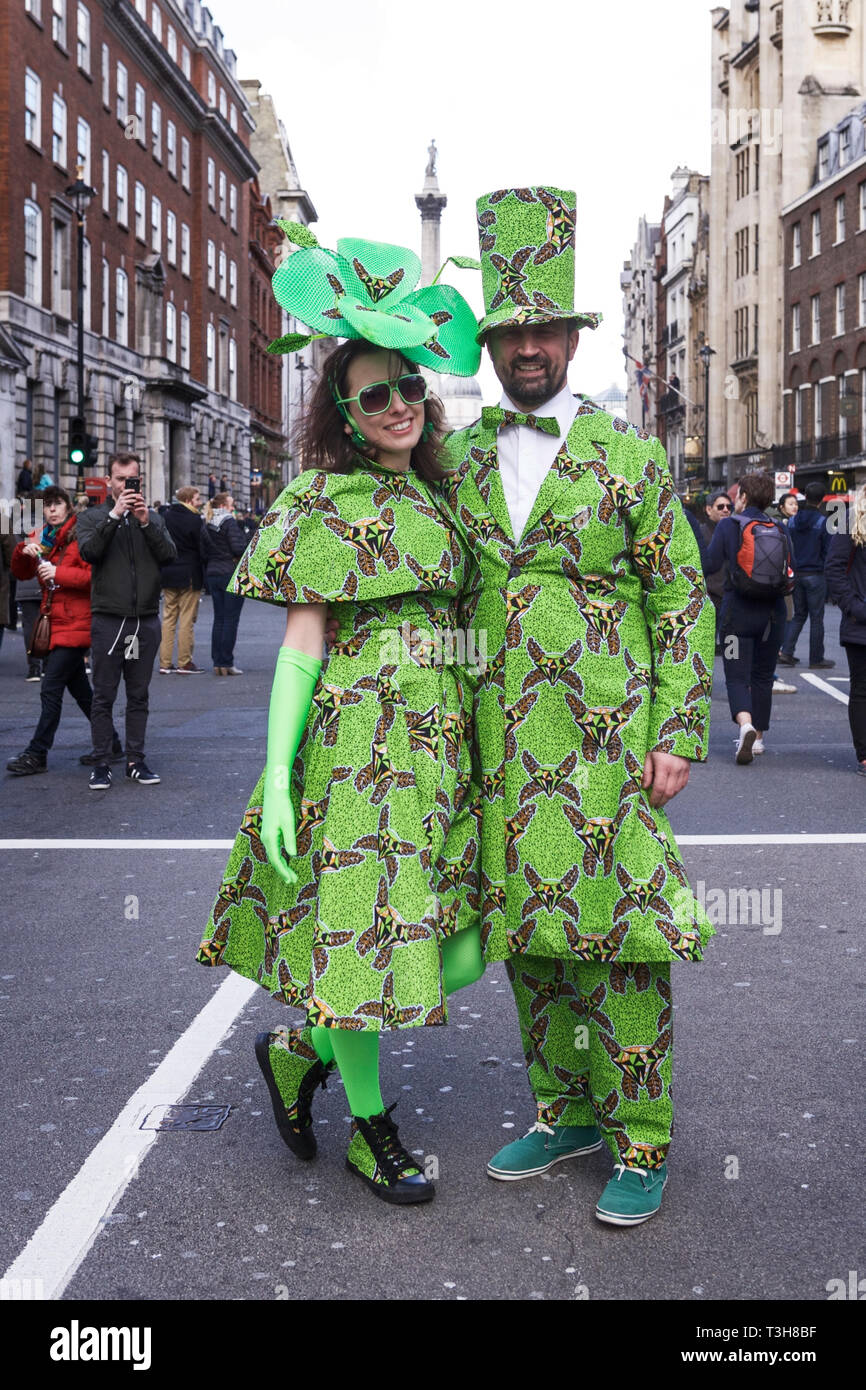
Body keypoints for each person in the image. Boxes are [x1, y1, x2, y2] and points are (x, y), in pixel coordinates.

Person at [439, 186, 716, 1225]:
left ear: (567, 336)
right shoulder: (456, 461)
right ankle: (565, 1109)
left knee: (623, 943)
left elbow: (680, 592)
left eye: (542, 330)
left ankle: (640, 1136)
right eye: (509, 331)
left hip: (606, 740)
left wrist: (677, 730)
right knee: (532, 942)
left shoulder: (627, 457)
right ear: (492, 340)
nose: (526, 348)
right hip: (501, 744)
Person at [196, 227, 485, 1204]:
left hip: (445, 750)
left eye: (408, 386)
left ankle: (300, 1047)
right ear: (347, 415)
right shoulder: (319, 499)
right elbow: (304, 644)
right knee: (364, 942)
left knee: (470, 937)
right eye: (375, 394)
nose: (399, 404)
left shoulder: (446, 497)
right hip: (357, 751)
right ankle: (371, 1127)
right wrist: (277, 774)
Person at [75, 453, 176, 789]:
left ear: (140, 481)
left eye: (132, 479)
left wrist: (146, 522)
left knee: (139, 695)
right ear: (109, 482)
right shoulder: (92, 517)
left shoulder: (153, 517)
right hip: (108, 619)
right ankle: (101, 762)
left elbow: (169, 556)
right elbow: (89, 552)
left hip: (144, 620)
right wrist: (115, 516)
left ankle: (136, 760)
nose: (126, 485)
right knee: (103, 695)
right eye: (120, 479)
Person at [5, 488, 116, 775]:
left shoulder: (82, 534)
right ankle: (112, 743)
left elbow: (97, 578)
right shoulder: (46, 538)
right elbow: (21, 573)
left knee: (50, 688)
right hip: (55, 622)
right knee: (81, 691)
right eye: (48, 506)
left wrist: (59, 574)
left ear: (68, 507)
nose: (52, 510)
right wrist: (23, 550)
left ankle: (37, 753)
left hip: (76, 623)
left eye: (57, 505)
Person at [704, 471, 793, 762]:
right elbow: (792, 571)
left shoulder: (729, 525)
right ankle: (759, 739)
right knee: (763, 675)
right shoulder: (780, 528)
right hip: (773, 614)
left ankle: (745, 725)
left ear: (742, 496)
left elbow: (711, 563)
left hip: (735, 613)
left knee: (736, 674)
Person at [826, 482, 866, 776]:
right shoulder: (850, 520)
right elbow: (835, 568)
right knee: (863, 689)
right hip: (861, 623)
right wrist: (855, 607)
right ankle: (865, 754)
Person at [778, 480, 833, 670]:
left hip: (797, 573)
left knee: (799, 615)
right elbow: (828, 551)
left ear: (805, 497)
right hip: (815, 574)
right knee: (817, 617)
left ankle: (787, 651)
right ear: (822, 500)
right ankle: (816, 658)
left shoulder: (792, 521)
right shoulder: (822, 522)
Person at [200, 492, 248, 675]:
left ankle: (217, 662)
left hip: (213, 573)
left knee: (219, 619)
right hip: (229, 572)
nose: (233, 506)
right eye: (231, 503)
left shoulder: (207, 522)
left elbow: (203, 551)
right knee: (230, 619)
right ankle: (227, 662)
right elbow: (238, 547)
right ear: (224, 505)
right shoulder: (228, 521)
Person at [159, 485, 204, 674]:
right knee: (186, 618)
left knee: (169, 617)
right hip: (189, 573)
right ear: (188, 500)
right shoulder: (194, 519)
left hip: (168, 571)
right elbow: (201, 547)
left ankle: (165, 662)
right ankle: (184, 662)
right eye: (197, 499)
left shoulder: (166, 517)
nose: (200, 503)